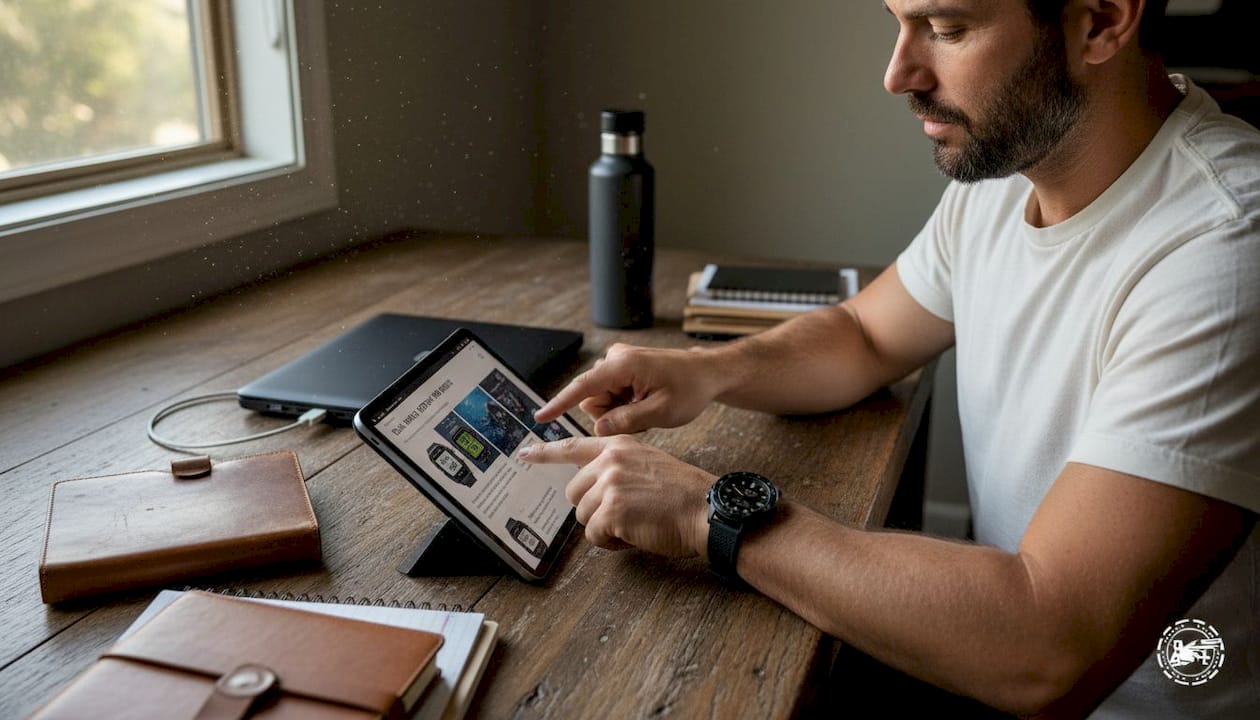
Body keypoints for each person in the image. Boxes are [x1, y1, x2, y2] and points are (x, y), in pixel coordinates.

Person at [520, 0, 1260, 716]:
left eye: (945, 28)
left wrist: (704, 512)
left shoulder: (1223, 250)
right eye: (899, 25)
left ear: (1099, 21)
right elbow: (866, 335)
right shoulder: (1010, 174)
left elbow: (1048, 645)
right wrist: (704, 371)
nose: (898, 74)